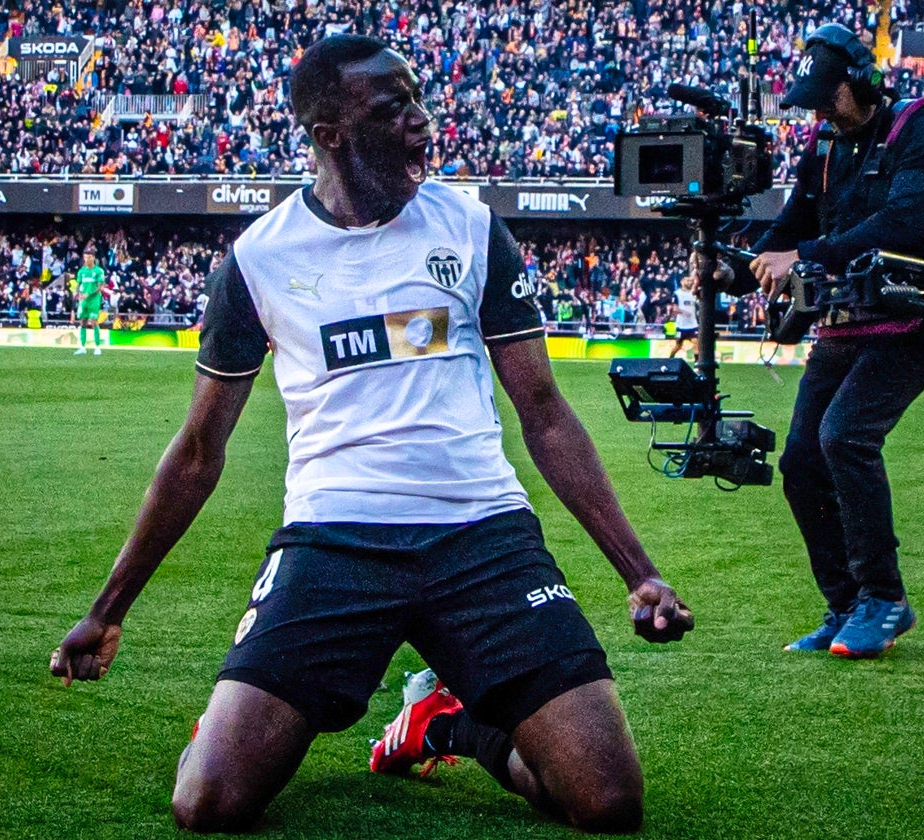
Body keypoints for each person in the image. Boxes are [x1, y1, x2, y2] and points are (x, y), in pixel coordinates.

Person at [50, 35, 693, 834]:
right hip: (333, 541)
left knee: (608, 800)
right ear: (331, 133)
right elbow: (197, 454)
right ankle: (238, 720)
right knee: (207, 802)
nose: (423, 120)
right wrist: (108, 610)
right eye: (395, 107)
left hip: (480, 533)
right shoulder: (258, 261)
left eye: (419, 98)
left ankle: (450, 724)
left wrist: (641, 573)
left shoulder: (469, 229)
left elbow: (547, 415)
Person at [748, 24, 924, 659]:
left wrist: (803, 255)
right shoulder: (823, 144)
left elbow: (898, 223)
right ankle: (845, 606)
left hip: (908, 324)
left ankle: (883, 600)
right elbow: (793, 223)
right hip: (843, 326)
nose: (816, 112)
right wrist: (741, 262)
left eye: (825, 98)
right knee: (800, 463)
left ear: (862, 83)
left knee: (845, 437)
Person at [73, 251, 106, 355]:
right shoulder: (81, 271)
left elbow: (100, 287)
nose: (86, 260)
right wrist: (76, 292)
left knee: (93, 321)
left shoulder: (99, 271)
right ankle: (82, 347)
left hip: (94, 299)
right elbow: (79, 284)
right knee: (82, 322)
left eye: (88, 257)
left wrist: (89, 294)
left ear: (93, 258)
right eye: (85, 258)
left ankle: (97, 347)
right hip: (83, 300)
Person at [667, 274, 699, 360]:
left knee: (696, 342)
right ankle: (670, 359)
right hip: (681, 326)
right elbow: (675, 309)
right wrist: (685, 312)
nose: (689, 282)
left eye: (691, 281)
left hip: (692, 325)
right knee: (678, 345)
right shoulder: (677, 294)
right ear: (682, 282)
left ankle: (697, 364)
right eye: (687, 281)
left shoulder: (694, 293)